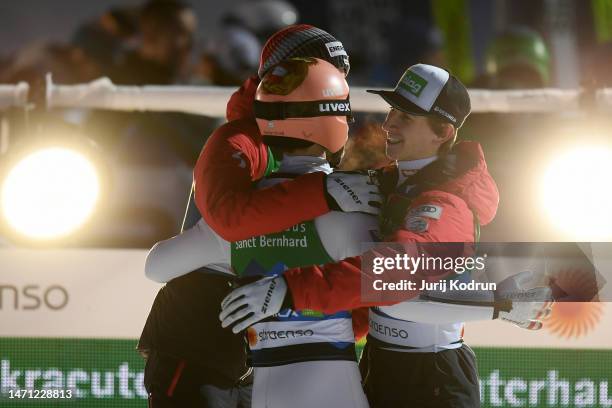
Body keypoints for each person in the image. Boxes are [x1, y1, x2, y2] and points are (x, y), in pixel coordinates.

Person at [219, 64, 553, 407]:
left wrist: (291, 290)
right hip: (387, 363)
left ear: (442, 133)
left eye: (406, 117)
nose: (389, 123)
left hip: (430, 378)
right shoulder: (394, 182)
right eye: (392, 110)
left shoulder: (446, 204)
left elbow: (396, 275)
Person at [139, 24, 376, 407]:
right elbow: (228, 220)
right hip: (200, 348)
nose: (332, 84)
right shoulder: (236, 141)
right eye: (322, 74)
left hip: (258, 359)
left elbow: (162, 263)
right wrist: (322, 192)